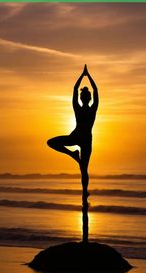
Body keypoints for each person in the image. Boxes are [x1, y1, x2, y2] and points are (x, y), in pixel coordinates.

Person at [47, 65, 99, 199]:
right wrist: (87, 76)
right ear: (87, 98)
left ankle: (84, 192)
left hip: (83, 139)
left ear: (83, 98)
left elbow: (77, 89)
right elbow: (94, 90)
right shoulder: (90, 108)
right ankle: (73, 155)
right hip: (81, 138)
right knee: (83, 169)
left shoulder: (85, 108)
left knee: (83, 168)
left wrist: (83, 75)